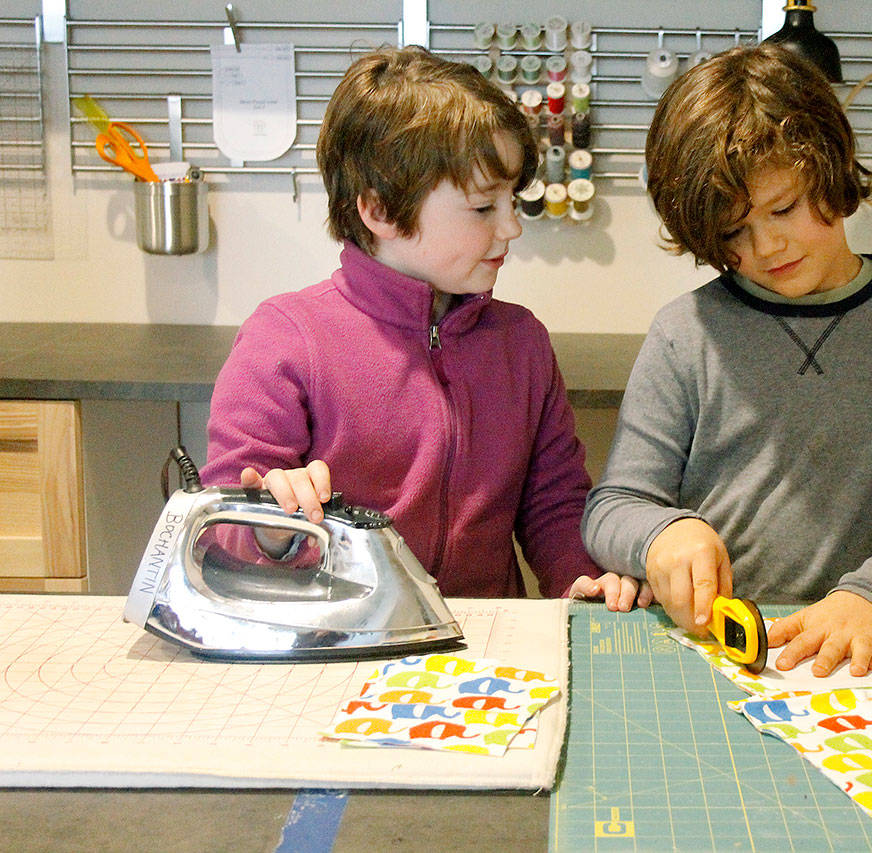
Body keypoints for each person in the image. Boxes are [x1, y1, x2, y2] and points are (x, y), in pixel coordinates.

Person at [581, 44, 872, 676]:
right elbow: (614, 506)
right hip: (715, 648)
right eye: (732, 233)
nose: (767, 245)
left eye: (783, 209)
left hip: (863, 645)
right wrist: (661, 534)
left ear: (834, 168)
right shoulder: (685, 331)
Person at [203, 46, 648, 610]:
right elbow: (224, 525)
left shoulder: (522, 343)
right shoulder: (286, 339)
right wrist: (272, 526)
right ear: (382, 211)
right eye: (484, 207)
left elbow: (554, 503)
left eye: (513, 201)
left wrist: (582, 575)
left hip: (483, 641)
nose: (511, 226)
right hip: (338, 640)